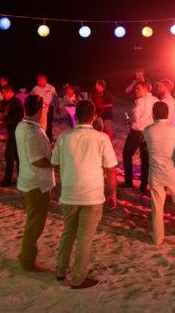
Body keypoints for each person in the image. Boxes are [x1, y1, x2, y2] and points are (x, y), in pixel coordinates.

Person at [51, 100, 118, 289]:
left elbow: (54, 162)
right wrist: (113, 193)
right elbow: (110, 169)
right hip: (92, 195)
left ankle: (60, 270)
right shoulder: (101, 138)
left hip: (69, 193)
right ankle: (78, 278)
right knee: (84, 238)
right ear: (94, 116)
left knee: (68, 232)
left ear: (75, 115)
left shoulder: (64, 137)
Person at [15, 94, 56, 271]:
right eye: (44, 107)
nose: (46, 110)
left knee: (32, 222)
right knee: (35, 226)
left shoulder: (22, 125)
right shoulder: (33, 132)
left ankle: (25, 254)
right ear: (39, 109)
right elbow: (37, 160)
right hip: (36, 185)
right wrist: (55, 163)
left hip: (27, 182)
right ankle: (27, 261)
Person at [144, 102, 175, 246]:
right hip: (174, 173)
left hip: (156, 173)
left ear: (154, 114)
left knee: (157, 209)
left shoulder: (147, 130)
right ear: (168, 113)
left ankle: (158, 239)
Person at [121, 81, 158, 191]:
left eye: (139, 89)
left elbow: (137, 120)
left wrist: (130, 123)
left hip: (138, 131)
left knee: (126, 154)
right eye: (136, 89)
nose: (136, 91)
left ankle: (128, 182)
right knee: (145, 158)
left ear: (146, 89)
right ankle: (143, 185)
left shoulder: (140, 101)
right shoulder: (155, 100)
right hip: (149, 132)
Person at [0, 85, 24, 187]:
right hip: (12, 132)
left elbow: (17, 119)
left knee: (11, 156)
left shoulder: (16, 102)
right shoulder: (9, 102)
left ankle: (9, 180)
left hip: (15, 133)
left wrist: (6, 120)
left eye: (4, 92)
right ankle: (19, 179)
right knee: (14, 157)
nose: (3, 95)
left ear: (10, 92)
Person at [31, 74, 57, 142]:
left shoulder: (52, 88)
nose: (38, 81)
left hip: (49, 107)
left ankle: (48, 139)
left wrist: (55, 107)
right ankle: (40, 138)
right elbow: (31, 97)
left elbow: (55, 99)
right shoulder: (35, 88)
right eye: (38, 80)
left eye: (40, 80)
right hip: (39, 108)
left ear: (45, 80)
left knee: (48, 124)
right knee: (39, 124)